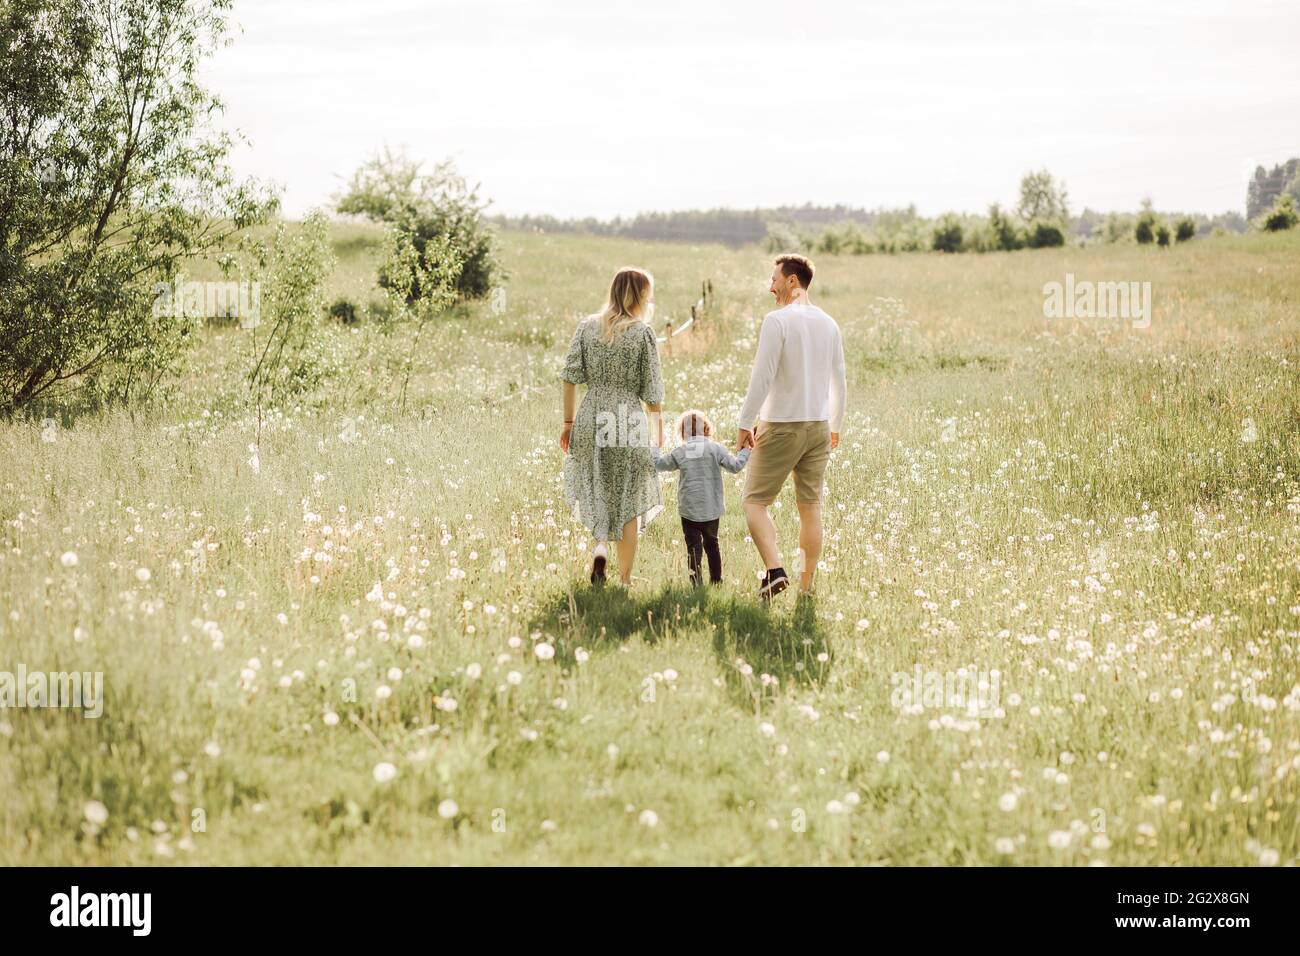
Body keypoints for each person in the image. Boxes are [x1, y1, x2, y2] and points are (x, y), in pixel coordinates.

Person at [736, 253, 847, 600]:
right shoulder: (829, 324)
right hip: (818, 426)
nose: (770, 287)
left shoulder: (777, 321)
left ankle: (774, 570)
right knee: (810, 508)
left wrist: (744, 422)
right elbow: (839, 381)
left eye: (774, 280)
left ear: (792, 281)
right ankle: (806, 587)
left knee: (754, 502)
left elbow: (763, 376)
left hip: (781, 424)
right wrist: (835, 425)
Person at [560, 266, 665, 586]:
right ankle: (624, 580)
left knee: (598, 490)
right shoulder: (642, 333)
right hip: (627, 421)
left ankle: (601, 547)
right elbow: (653, 392)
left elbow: (569, 376)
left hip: (592, 418)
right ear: (642, 295)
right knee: (629, 501)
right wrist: (658, 435)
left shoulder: (587, 327)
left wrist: (568, 423)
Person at [651, 409, 750, 585]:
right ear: (706, 429)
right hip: (711, 508)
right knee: (712, 545)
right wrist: (745, 451)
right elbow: (735, 467)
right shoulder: (715, 448)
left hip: (689, 510)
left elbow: (658, 465)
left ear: (682, 432)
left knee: (693, 548)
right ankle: (716, 581)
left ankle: (696, 584)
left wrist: (655, 448)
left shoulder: (681, 451)